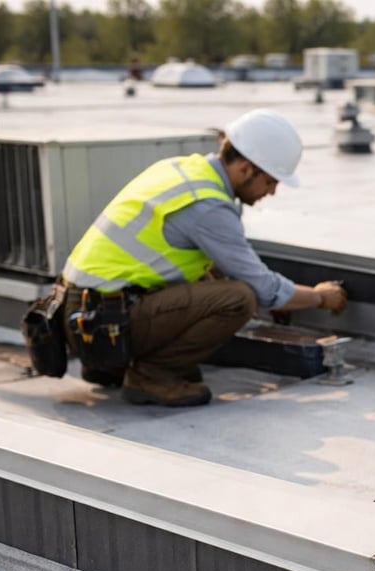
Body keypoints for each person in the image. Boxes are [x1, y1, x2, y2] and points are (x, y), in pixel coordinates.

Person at [61, 108, 348, 407]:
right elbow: (263, 289)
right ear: (246, 169)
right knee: (239, 299)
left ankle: (110, 366)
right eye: (271, 181)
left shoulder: (182, 170)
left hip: (82, 314)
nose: (273, 192)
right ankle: (151, 376)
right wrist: (319, 297)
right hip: (102, 322)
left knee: (214, 281)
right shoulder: (209, 206)